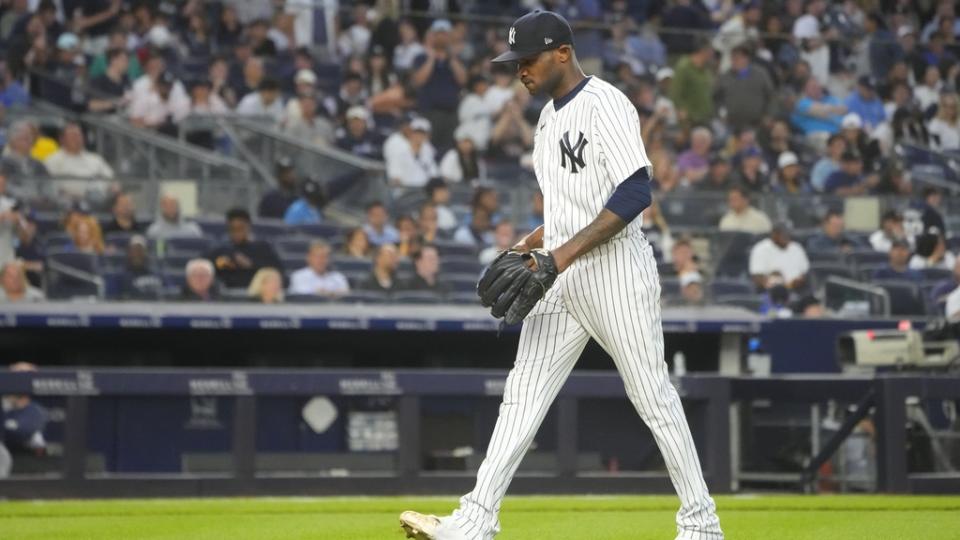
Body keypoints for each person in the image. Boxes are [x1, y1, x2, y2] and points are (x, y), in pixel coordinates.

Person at [400, 11, 723, 540]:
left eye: (527, 60)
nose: (520, 70)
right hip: (560, 269)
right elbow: (572, 207)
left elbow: (635, 193)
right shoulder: (548, 119)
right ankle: (476, 520)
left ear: (562, 53)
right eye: (515, 62)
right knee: (522, 395)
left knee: (652, 397)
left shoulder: (605, 103)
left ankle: (701, 525)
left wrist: (560, 254)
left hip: (614, 270)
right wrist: (531, 242)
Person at [207, 208, 282, 289]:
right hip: (226, 297)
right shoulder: (221, 249)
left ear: (248, 227)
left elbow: (279, 274)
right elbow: (203, 266)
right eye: (232, 229)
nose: (236, 233)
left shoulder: (262, 248)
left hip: (259, 295)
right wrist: (219, 263)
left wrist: (251, 264)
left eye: (240, 228)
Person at [713, 45, 776, 131]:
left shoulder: (760, 74)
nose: (733, 61)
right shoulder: (725, 77)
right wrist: (720, 114)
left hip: (757, 125)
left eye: (737, 58)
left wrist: (769, 115)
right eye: (732, 58)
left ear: (746, 59)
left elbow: (771, 96)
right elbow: (715, 98)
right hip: (731, 126)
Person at [749, 223, 810, 291]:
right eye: (784, 235)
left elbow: (805, 272)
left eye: (788, 234)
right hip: (772, 292)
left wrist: (797, 282)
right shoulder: (760, 248)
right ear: (774, 235)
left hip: (798, 289)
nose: (787, 237)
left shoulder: (797, 247)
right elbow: (758, 278)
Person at [669, 37, 715, 125]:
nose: (712, 53)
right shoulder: (684, 67)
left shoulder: (706, 69)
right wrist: (680, 109)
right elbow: (675, 92)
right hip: (690, 119)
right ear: (703, 50)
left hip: (705, 117)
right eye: (710, 50)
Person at [43, 123, 114, 179]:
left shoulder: (96, 159)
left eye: (79, 135)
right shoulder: (52, 160)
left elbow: (110, 178)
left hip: (100, 195)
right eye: (72, 136)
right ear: (62, 139)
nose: (77, 139)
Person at [384, 116, 438, 188]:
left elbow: (434, 174)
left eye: (422, 133)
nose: (419, 136)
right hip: (406, 191)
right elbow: (395, 177)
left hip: (426, 190)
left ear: (427, 135)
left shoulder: (429, 151)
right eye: (416, 132)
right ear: (410, 133)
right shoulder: (399, 150)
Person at [119, 235, 162, 300]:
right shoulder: (121, 277)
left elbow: (171, 291)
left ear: (146, 252)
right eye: (134, 250)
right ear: (129, 252)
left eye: (140, 250)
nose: (137, 253)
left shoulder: (157, 273)